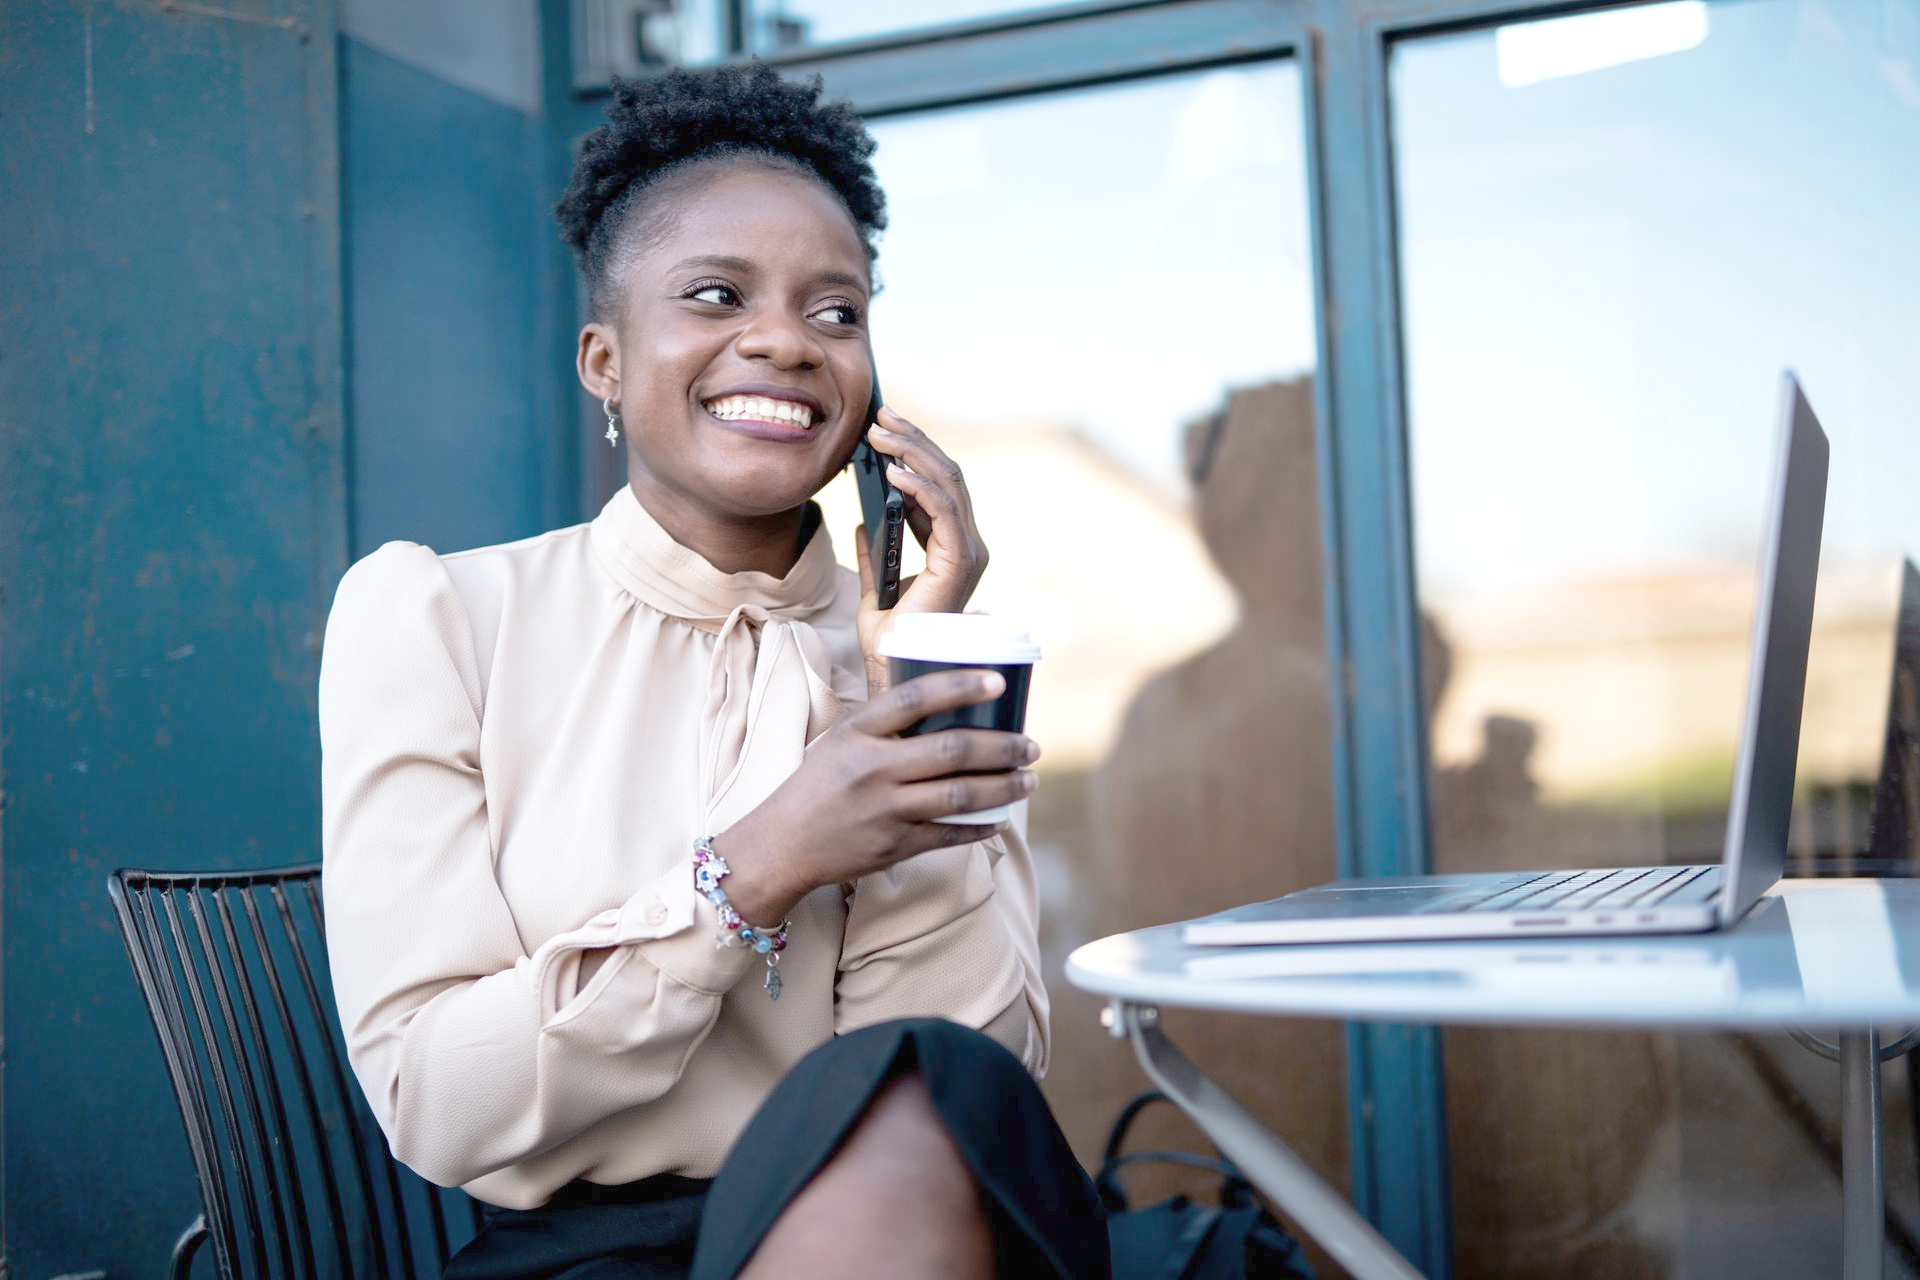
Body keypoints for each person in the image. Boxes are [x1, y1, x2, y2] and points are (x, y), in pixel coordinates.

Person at [318, 62, 1109, 1280]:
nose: (786, 340)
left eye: (837, 312)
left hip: (900, 1220)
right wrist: (762, 861)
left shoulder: (912, 645)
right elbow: (436, 1095)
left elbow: (959, 1072)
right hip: (597, 1252)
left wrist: (913, 682)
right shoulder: (440, 616)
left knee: (931, 1101)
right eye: (715, 293)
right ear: (603, 362)